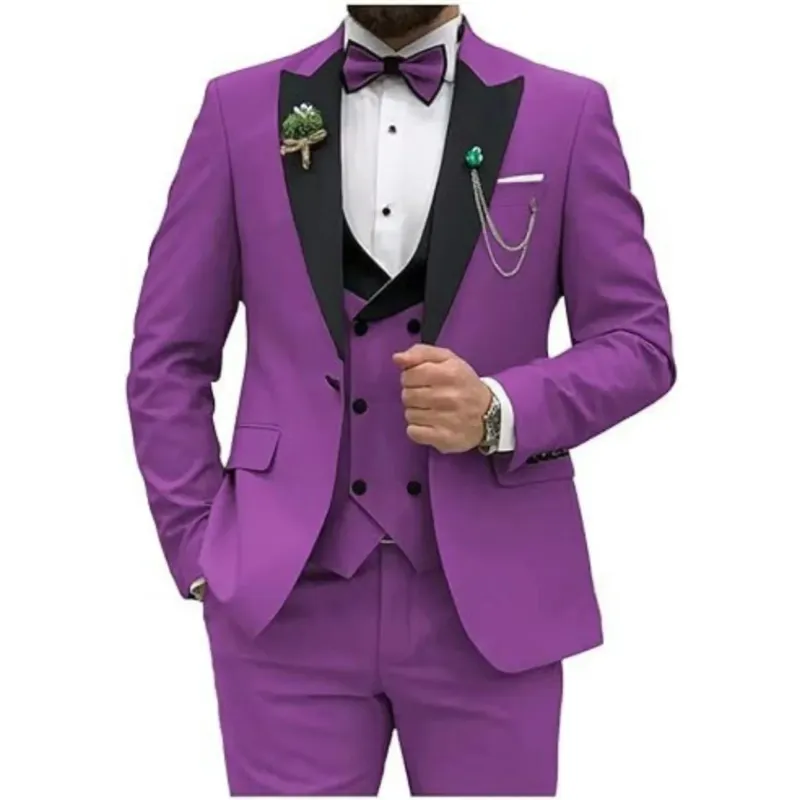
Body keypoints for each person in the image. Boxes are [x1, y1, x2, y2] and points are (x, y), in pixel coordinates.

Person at [127, 4, 675, 795]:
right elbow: (167, 355)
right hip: (283, 601)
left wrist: (498, 409)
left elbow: (639, 342)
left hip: (493, 599)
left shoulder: (567, 112)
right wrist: (199, 549)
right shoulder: (235, 110)